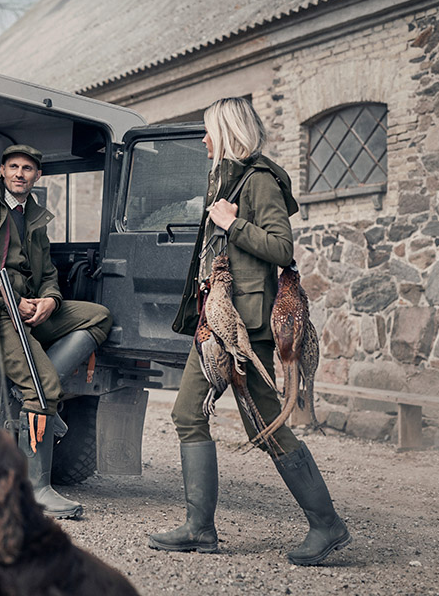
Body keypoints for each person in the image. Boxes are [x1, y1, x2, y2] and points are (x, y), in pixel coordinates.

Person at [147, 98, 351, 565]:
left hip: (247, 328)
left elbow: (282, 248)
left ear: (227, 131)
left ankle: (326, 525)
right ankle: (201, 528)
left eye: (207, 131)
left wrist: (231, 223)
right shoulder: (226, 178)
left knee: (265, 427)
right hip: (217, 324)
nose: (202, 139)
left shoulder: (260, 181)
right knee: (190, 414)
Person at [0, 144, 112, 520]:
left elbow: (50, 271)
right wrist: (10, 302)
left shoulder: (34, 214)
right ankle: (35, 489)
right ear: (2, 170)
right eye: (14, 167)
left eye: (28, 168)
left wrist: (50, 300)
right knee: (42, 388)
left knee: (98, 316)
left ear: (37, 175)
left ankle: (36, 395)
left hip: (27, 306)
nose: (20, 174)